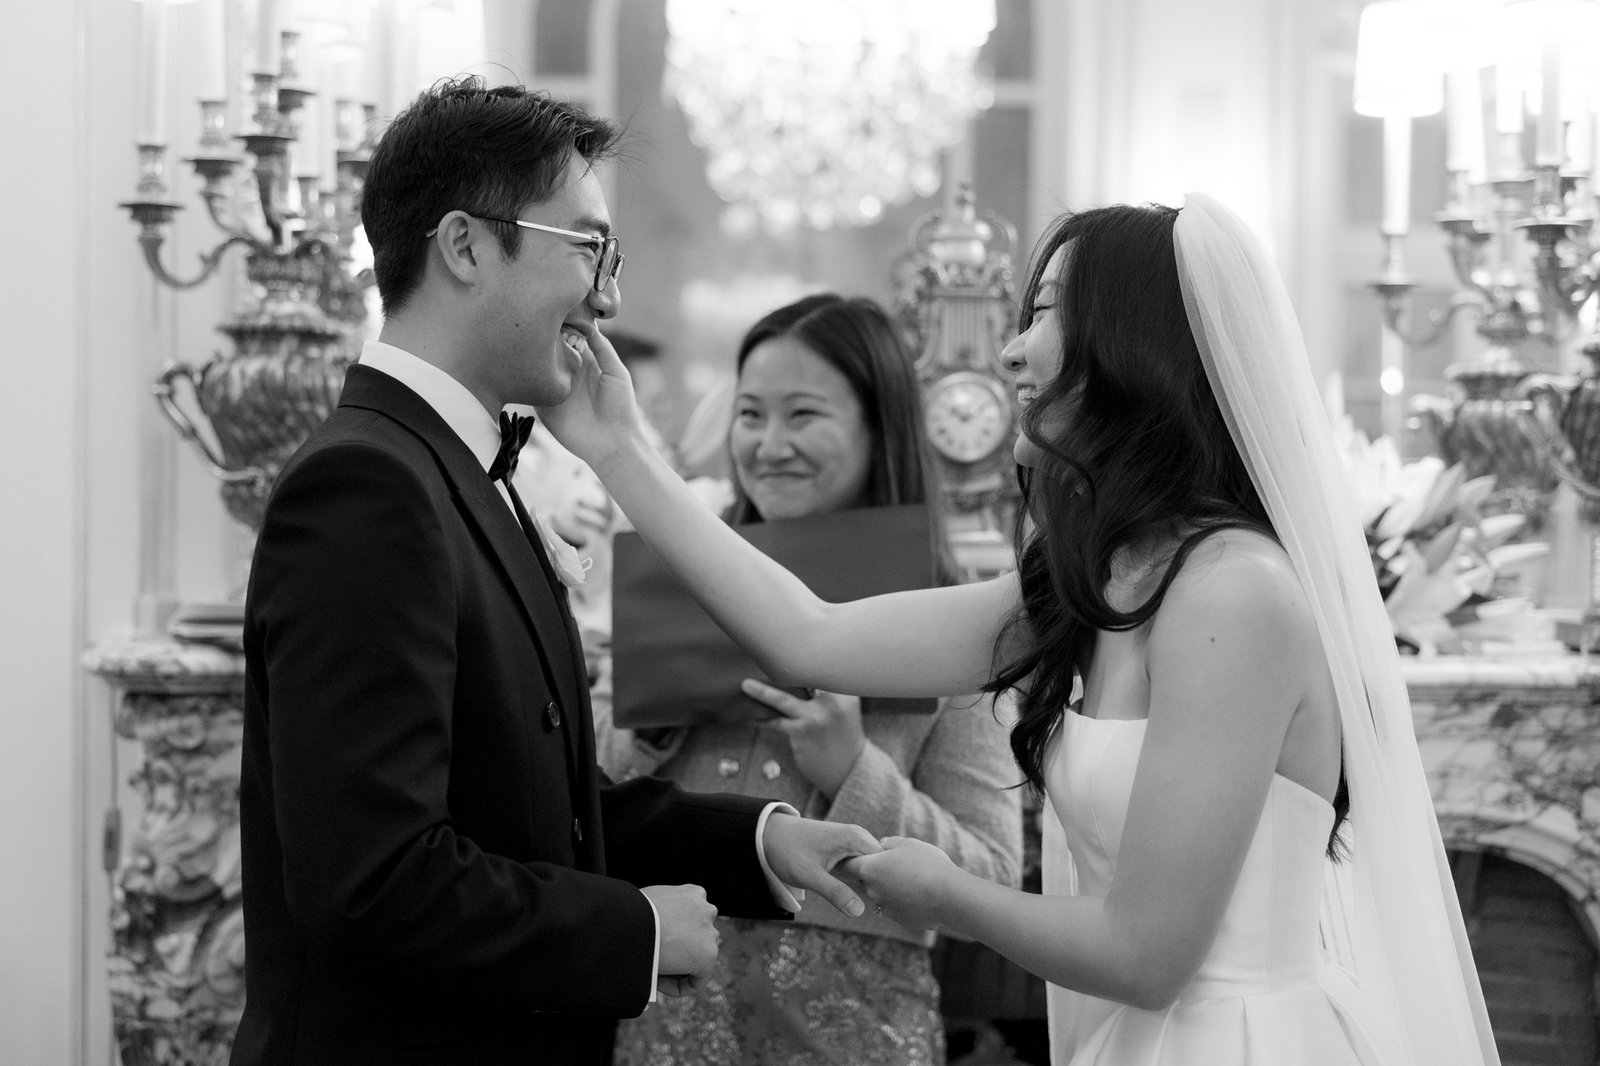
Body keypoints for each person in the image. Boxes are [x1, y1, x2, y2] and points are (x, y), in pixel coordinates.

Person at [539, 196, 1501, 1066]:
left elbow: (1148, 954)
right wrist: (617, 447)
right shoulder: (1094, 582)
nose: (1006, 355)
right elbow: (805, 634)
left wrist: (947, 891)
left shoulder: (1235, 592)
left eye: (1042, 316)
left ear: (1133, 347)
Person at [230, 77, 880, 1066]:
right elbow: (372, 876)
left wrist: (758, 841)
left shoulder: (455, 467)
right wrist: (637, 931)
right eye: (588, 250)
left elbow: (537, 806)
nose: (611, 296)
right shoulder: (367, 484)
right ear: (463, 245)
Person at [597, 294, 1023, 1066]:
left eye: (803, 415)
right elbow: (586, 816)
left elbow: (992, 882)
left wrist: (857, 772)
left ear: (877, 428)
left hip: (852, 1034)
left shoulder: (952, 620)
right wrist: (644, 735)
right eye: (751, 414)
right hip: (666, 1023)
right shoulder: (672, 593)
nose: (770, 444)